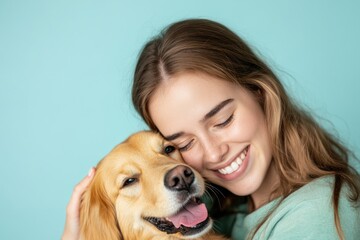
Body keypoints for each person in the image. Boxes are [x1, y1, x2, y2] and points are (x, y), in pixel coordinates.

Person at [62, 19, 360, 239]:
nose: (214, 153)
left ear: (259, 91)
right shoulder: (224, 211)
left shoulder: (319, 215)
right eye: (182, 143)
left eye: (223, 120)